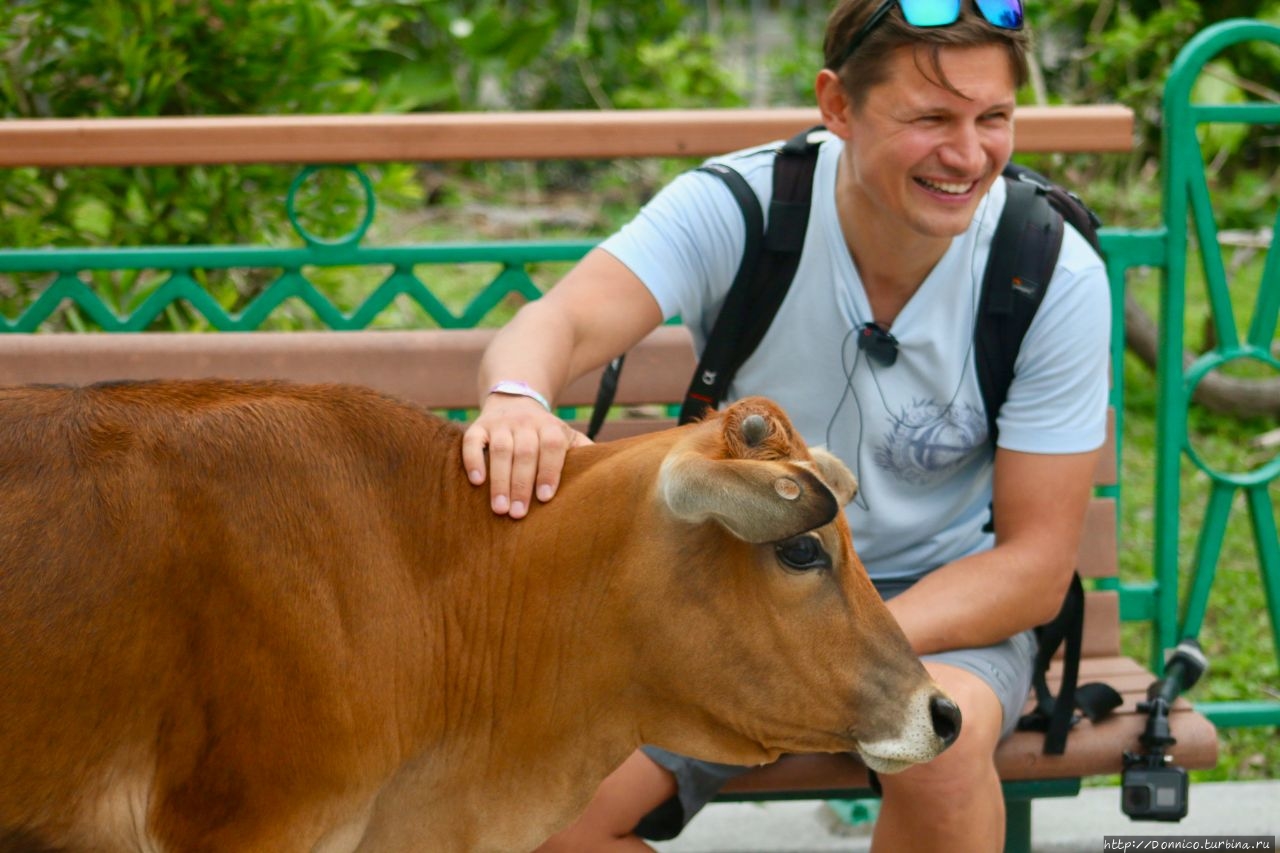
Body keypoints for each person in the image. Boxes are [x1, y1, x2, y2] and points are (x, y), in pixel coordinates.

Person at [460, 0, 1111, 849]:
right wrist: (517, 398)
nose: (967, 154)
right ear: (837, 105)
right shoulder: (741, 206)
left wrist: (831, 639)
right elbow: (561, 322)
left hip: (939, 615)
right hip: (722, 600)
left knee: (941, 757)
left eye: (993, 118)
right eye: (931, 119)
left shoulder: (1047, 268)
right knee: (535, 816)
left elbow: (1033, 568)